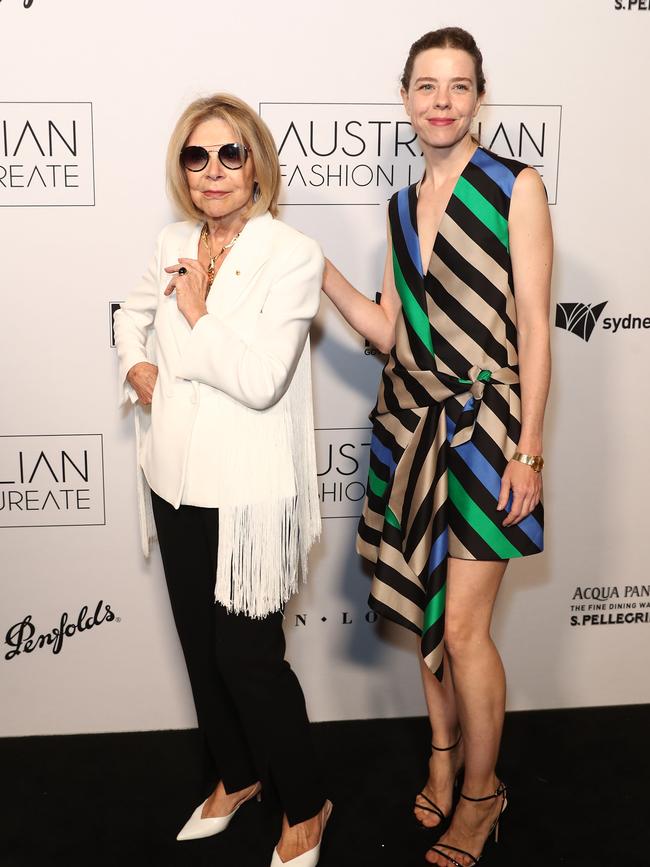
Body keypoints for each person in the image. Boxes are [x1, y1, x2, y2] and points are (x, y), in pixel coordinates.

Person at [322, 27, 551, 867]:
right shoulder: (398, 207)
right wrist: (320, 274)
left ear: (480, 97)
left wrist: (528, 450)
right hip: (410, 420)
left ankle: (484, 795)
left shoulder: (514, 187)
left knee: (463, 628)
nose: (442, 101)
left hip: (489, 428)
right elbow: (390, 329)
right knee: (425, 610)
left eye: (458, 86)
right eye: (427, 86)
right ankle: (444, 753)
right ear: (406, 97)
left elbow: (534, 327)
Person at [114, 93, 332, 867]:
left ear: (257, 163)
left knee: (247, 659)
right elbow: (131, 313)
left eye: (230, 154)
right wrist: (135, 361)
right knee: (202, 651)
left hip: (247, 493)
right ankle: (237, 777)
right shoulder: (174, 239)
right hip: (173, 480)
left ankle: (305, 802)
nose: (213, 172)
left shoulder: (293, 254)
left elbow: (263, 377)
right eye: (196, 157)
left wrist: (199, 314)